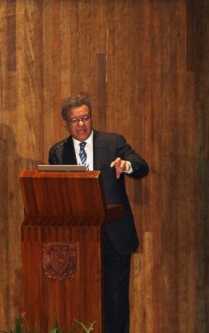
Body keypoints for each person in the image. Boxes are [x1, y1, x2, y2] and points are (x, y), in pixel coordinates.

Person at [48, 94, 149, 333]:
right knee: (81, 299)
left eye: (85, 118)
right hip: (77, 240)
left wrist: (127, 165)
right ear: (66, 123)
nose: (81, 124)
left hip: (115, 235)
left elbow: (142, 166)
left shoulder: (113, 143)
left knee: (115, 301)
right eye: (75, 120)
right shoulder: (58, 153)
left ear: (91, 118)